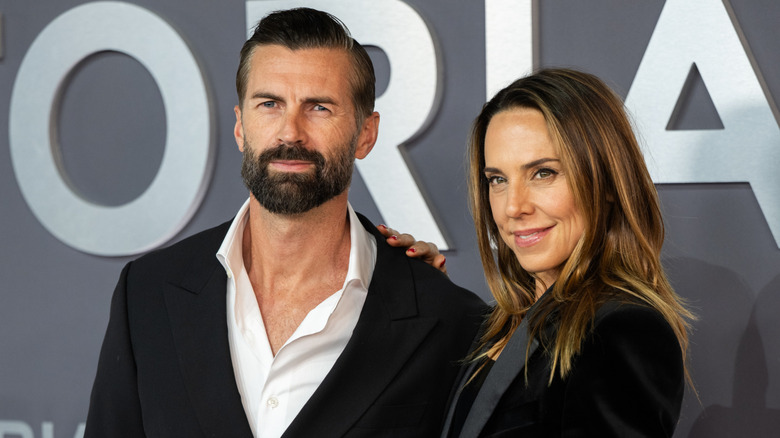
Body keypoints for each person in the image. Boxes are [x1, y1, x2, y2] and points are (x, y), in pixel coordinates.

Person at [84, 8, 484, 438]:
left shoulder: (449, 320)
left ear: (366, 134)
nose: (290, 132)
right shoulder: (146, 294)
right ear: (241, 127)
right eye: (270, 104)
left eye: (319, 107)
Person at [386, 68, 694, 437]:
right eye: (497, 180)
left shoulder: (621, 331)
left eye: (543, 173)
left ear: (608, 182)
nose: (513, 207)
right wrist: (431, 301)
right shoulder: (499, 329)